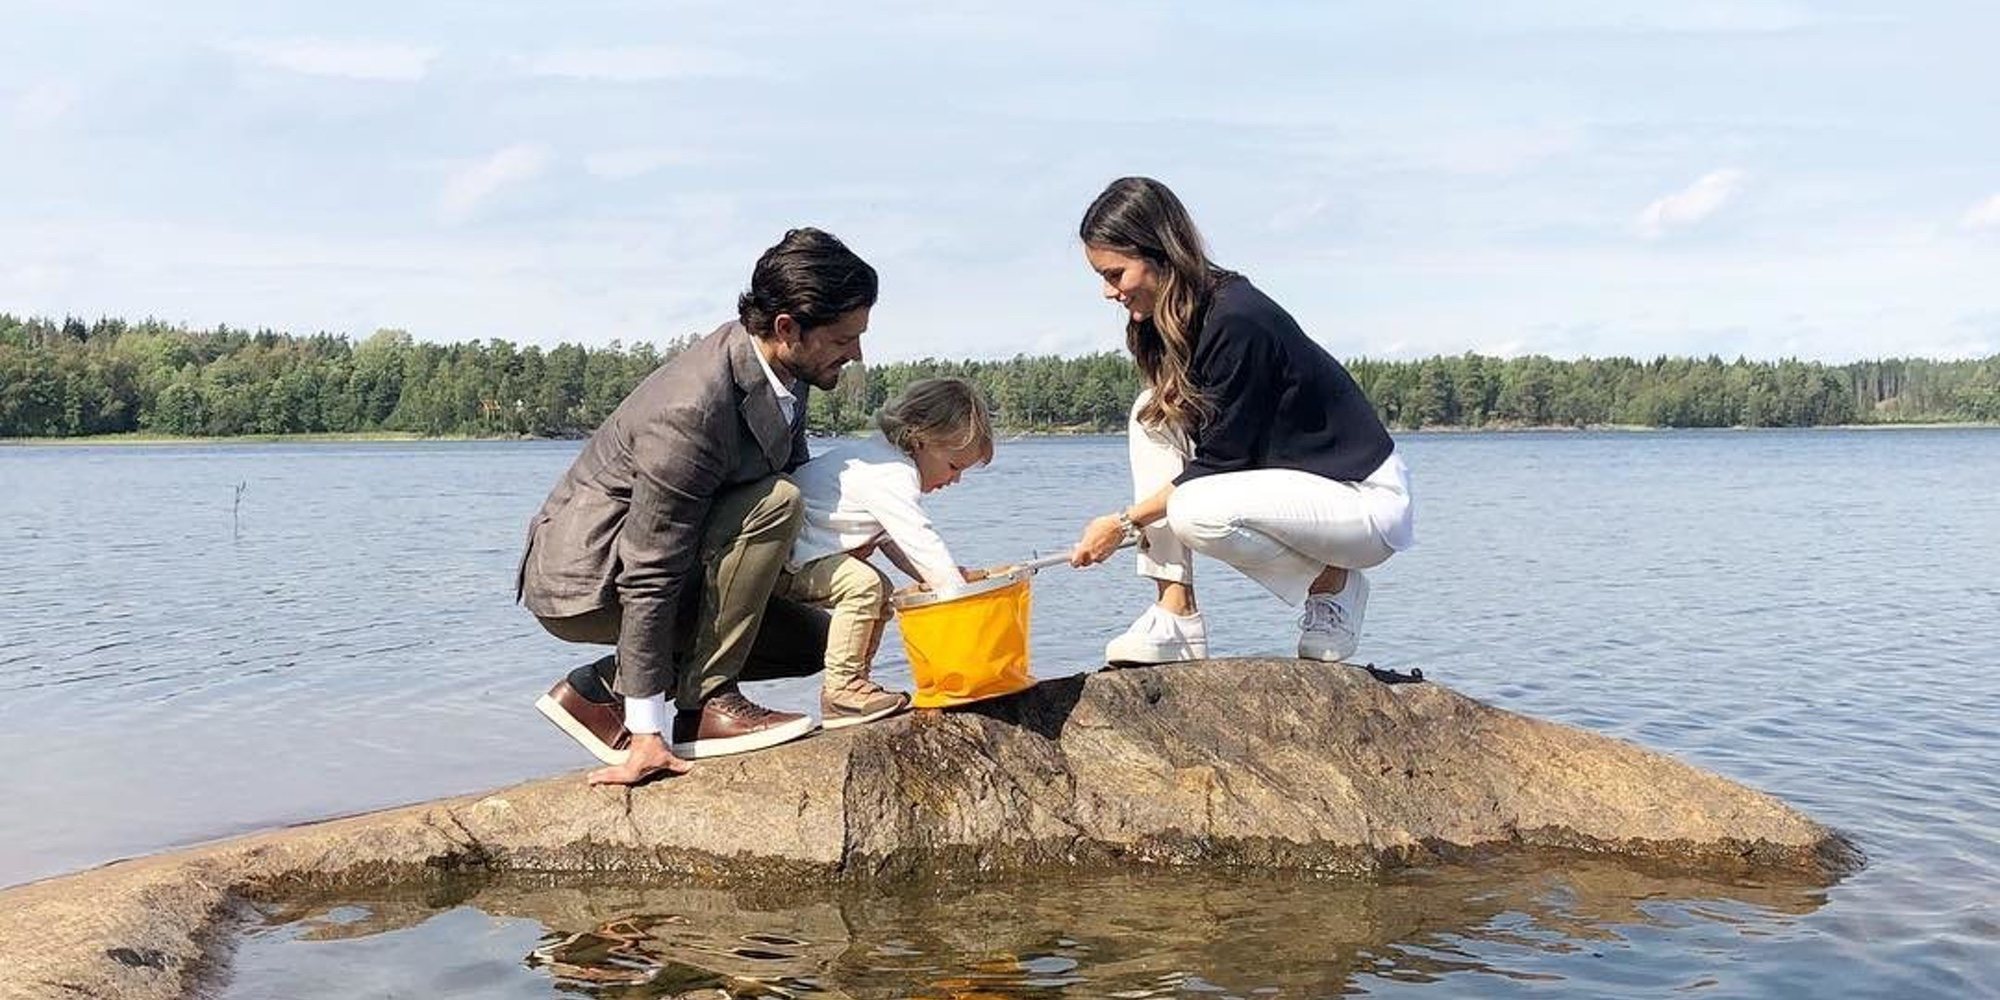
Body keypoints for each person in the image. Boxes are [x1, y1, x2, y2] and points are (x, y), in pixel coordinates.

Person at [520, 227, 874, 785]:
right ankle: (705, 703)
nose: (855, 353)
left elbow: (796, 482)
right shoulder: (692, 406)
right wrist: (646, 735)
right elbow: (651, 569)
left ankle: (599, 691)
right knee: (776, 502)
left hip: (670, 556)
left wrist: (860, 545)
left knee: (818, 642)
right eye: (842, 339)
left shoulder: (789, 371)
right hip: (591, 577)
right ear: (787, 328)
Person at [1067, 177, 1415, 666]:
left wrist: (1123, 524)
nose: (1108, 291)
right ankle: (1175, 612)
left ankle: (1333, 584)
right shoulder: (1170, 320)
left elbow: (1219, 466)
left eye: (1115, 274)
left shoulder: (1237, 319)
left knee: (1195, 510)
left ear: (1159, 254)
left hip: (1364, 502)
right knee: (1151, 413)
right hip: (1299, 493)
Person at [783, 377, 995, 728]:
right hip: (781, 561)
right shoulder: (891, 473)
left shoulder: (878, 457)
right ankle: (842, 689)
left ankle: (855, 684)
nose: (955, 480)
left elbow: (894, 542)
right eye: (954, 466)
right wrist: (956, 592)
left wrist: (948, 574)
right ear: (920, 439)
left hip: (798, 556)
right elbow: (919, 539)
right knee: (865, 585)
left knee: (878, 590)